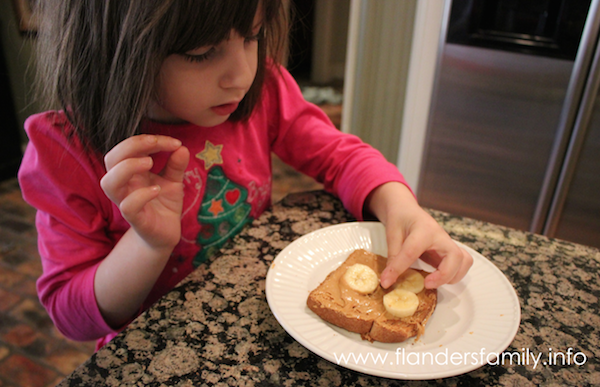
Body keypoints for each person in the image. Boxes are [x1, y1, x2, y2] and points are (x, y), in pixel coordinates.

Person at [18, 0, 472, 350]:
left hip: (253, 318)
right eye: (202, 53)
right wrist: (147, 244)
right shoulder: (64, 151)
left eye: (252, 37)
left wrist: (399, 204)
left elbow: (339, 155)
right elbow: (71, 315)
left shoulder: (264, 90)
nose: (241, 74)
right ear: (114, 49)